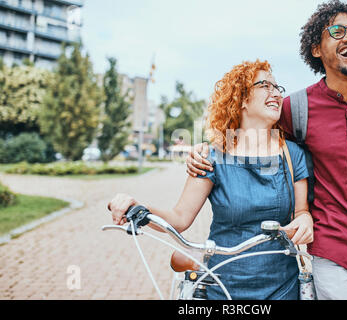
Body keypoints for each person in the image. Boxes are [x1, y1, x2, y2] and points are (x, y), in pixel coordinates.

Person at [186, 0, 347, 300]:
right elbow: (251, 136)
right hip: (335, 254)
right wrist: (206, 148)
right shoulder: (295, 109)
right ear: (316, 49)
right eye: (337, 31)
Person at [108, 60, 313, 300]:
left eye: (278, 88)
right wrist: (136, 207)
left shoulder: (292, 154)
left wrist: (306, 220)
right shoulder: (212, 157)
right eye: (265, 85)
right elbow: (179, 218)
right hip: (222, 284)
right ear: (242, 99)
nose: (276, 93)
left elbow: (302, 211)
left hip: (282, 286)